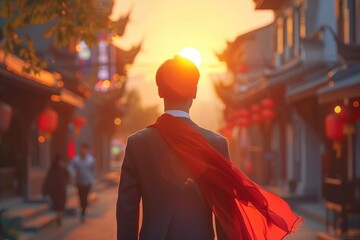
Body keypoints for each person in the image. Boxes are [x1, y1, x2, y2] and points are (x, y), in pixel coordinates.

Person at [116, 56, 302, 240]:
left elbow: (127, 211)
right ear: (194, 92)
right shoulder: (216, 143)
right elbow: (224, 212)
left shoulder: (137, 143)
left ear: (160, 91)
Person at [70, 142, 95, 223]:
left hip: (88, 182)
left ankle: (83, 213)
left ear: (87, 150)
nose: (82, 150)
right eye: (81, 149)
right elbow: (71, 169)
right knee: (81, 198)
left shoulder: (90, 160)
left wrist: (93, 179)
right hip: (79, 182)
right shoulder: (76, 159)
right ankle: (82, 211)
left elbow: (93, 170)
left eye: (84, 149)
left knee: (85, 197)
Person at [43, 153, 69, 227]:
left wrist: (46, 190)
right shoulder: (62, 167)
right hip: (60, 189)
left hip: (54, 190)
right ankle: (59, 215)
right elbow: (67, 176)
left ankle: (58, 215)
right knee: (60, 204)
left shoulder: (52, 168)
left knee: (57, 204)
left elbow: (47, 179)